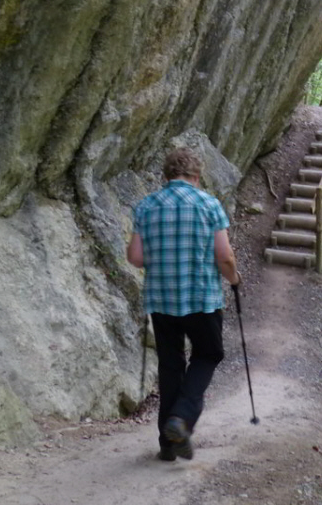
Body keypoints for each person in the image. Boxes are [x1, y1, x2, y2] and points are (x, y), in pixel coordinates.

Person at [127, 146, 240, 462]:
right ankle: (182, 419)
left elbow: (135, 257)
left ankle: (167, 443)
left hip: (161, 299)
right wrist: (234, 279)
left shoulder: (146, 206)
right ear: (196, 175)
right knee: (208, 353)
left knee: (171, 365)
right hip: (200, 298)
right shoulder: (208, 205)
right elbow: (225, 256)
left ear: (166, 176)